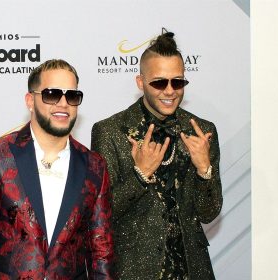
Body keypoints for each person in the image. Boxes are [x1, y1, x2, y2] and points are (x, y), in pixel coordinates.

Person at [0, 59, 114, 279]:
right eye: (52, 94)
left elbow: (102, 251)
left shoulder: (94, 166)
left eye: (72, 96)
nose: (63, 104)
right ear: (30, 101)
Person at [91, 31, 222, 280]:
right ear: (140, 82)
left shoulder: (202, 132)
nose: (170, 91)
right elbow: (102, 214)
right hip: (134, 271)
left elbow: (209, 213)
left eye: (178, 82)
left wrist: (205, 170)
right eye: (159, 82)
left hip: (192, 270)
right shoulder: (111, 132)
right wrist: (139, 175)